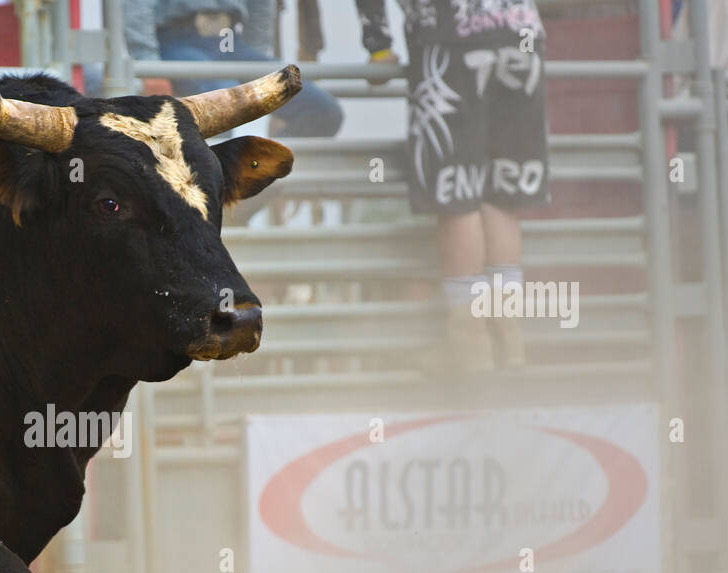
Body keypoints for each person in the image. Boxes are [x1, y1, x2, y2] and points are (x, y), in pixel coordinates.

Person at [355, 0, 551, 372]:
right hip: (521, 31)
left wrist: (378, 45)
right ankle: (509, 342)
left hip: (449, 36)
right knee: (500, 190)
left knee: (457, 192)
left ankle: (471, 345)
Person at [124, 0, 346, 137]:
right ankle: (214, 195)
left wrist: (252, 59)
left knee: (323, 111)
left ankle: (264, 179)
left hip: (233, 43)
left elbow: (261, 6)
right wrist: (148, 62)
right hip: (175, 41)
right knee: (226, 102)